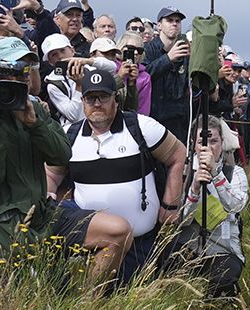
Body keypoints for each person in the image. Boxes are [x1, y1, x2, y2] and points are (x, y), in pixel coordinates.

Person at [0, 41, 131, 288]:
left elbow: (62, 156)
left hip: (41, 213)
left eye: (25, 72)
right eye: (12, 73)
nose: (20, 79)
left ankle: (85, 307)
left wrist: (33, 122)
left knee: (118, 231)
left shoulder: (33, 107)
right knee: (17, 303)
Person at [50, 67, 186, 287]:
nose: (97, 104)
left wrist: (170, 205)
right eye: (90, 97)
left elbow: (178, 155)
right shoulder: (69, 136)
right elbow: (51, 174)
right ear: (82, 101)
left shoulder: (141, 127)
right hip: (90, 248)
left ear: (116, 98)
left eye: (103, 96)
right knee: (93, 299)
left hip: (141, 247)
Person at [174, 119, 249, 302]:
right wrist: (194, 190)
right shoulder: (182, 174)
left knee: (223, 283)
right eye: (202, 143)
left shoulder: (235, 173)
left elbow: (236, 206)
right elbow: (178, 221)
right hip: (189, 249)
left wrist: (216, 174)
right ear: (194, 145)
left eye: (213, 141)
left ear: (222, 143)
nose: (208, 148)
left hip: (223, 251)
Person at [143, 7, 191, 140]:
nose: (174, 24)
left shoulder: (185, 51)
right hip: (155, 118)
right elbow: (144, 76)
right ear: (159, 25)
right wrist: (168, 59)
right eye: (169, 20)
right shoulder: (148, 48)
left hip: (179, 120)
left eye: (177, 21)